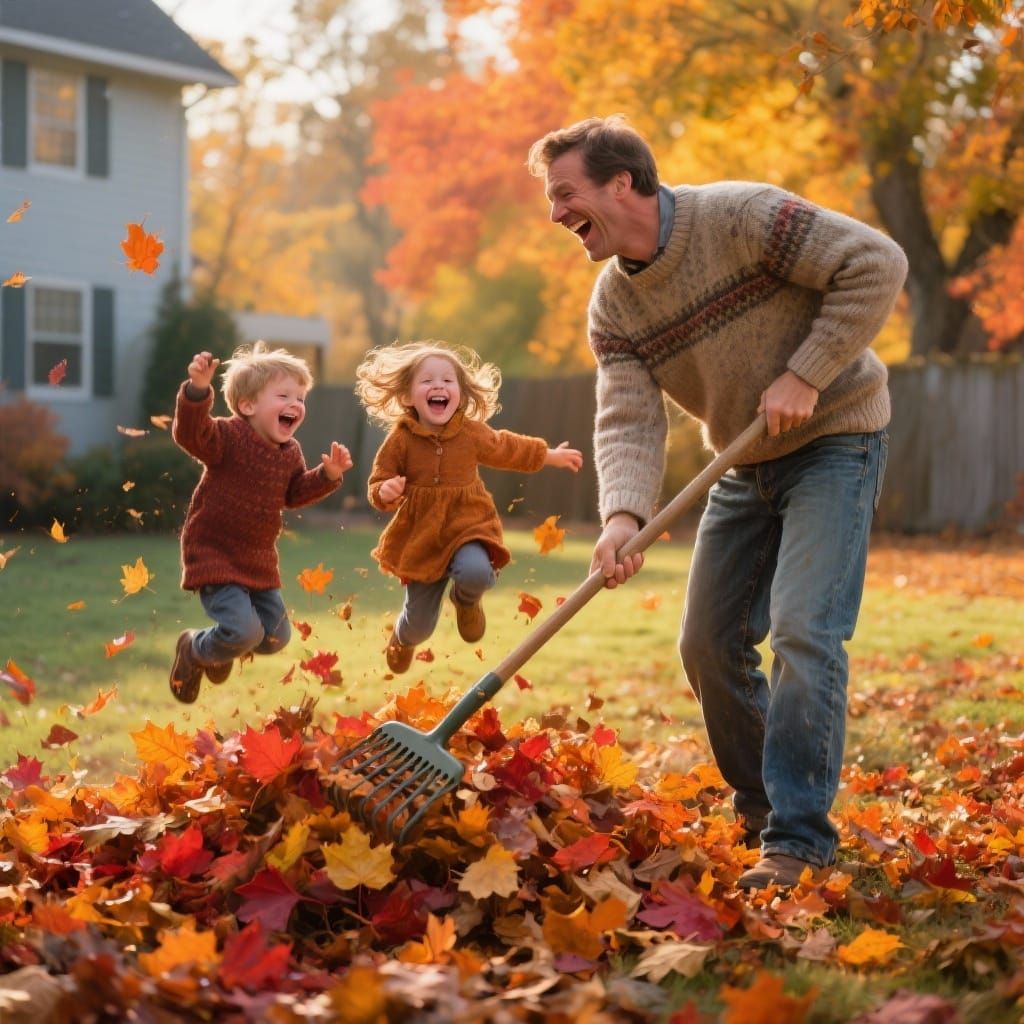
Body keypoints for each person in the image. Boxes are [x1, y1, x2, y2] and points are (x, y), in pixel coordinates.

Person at [527, 115, 908, 891]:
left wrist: (808, 371)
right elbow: (628, 416)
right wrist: (623, 518)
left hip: (836, 438)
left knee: (805, 631)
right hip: (746, 462)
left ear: (623, 182)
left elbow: (877, 261)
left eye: (566, 194)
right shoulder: (614, 305)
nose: (556, 213)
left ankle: (800, 840)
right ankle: (767, 810)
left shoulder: (740, 217)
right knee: (707, 642)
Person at [355, 340, 583, 672]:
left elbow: (506, 447)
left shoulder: (470, 433)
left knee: (477, 572)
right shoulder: (400, 439)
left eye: (448, 381)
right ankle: (403, 638)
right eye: (428, 380)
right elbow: (378, 482)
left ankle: (466, 602)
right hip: (422, 537)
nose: (439, 386)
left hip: (467, 523)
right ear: (407, 396)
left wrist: (549, 455)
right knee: (420, 624)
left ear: (460, 393)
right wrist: (385, 491)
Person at [169, 342, 353, 703]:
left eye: (300, 398)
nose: (296, 405)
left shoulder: (291, 453)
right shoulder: (227, 437)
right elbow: (191, 434)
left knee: (275, 638)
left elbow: (295, 493)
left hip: (258, 561)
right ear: (248, 405)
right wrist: (197, 391)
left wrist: (327, 475)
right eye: (284, 395)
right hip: (215, 554)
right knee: (243, 632)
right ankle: (194, 648)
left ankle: (219, 648)